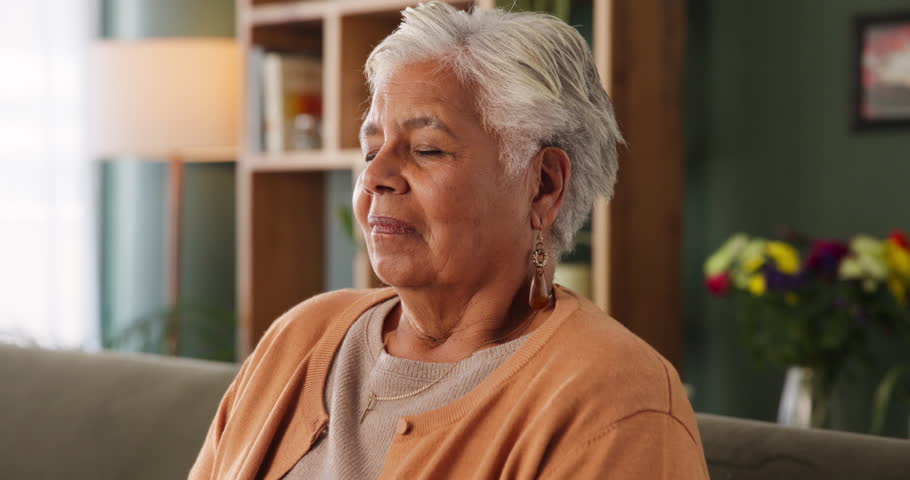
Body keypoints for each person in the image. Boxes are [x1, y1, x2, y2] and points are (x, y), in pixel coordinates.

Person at [190, 2, 708, 478]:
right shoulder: (299, 337)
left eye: (427, 150)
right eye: (371, 151)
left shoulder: (613, 400)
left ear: (544, 185)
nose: (375, 178)